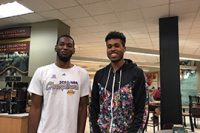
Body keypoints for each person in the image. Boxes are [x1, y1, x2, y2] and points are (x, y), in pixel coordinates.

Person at [28, 34, 90, 133]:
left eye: (69, 45)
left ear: (73, 50)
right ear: (56, 48)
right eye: (61, 44)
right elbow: (35, 107)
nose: (65, 47)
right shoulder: (41, 72)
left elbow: (82, 108)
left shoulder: (82, 74)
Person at [90, 31, 146, 132]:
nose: (113, 49)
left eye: (117, 45)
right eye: (109, 46)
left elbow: (142, 110)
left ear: (124, 48)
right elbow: (93, 107)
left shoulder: (136, 74)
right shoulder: (100, 75)